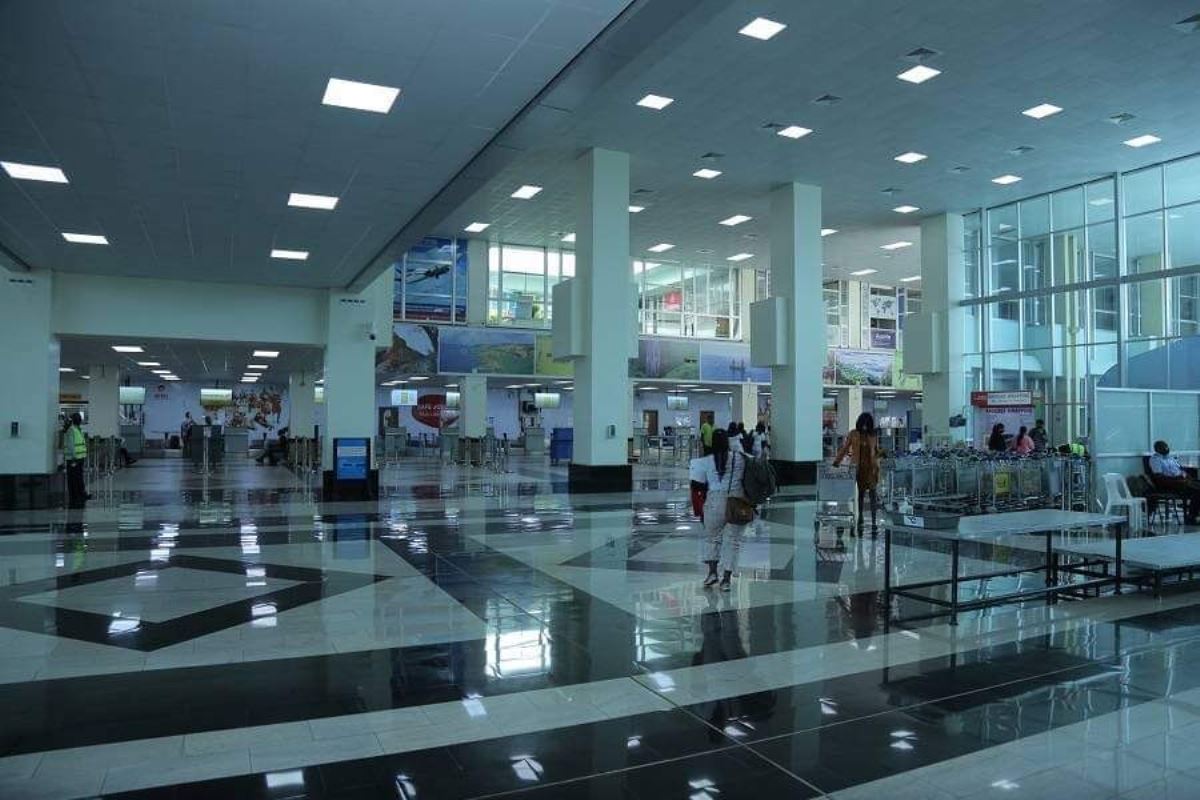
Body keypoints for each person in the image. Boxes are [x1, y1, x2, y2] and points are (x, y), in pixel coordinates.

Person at [696, 429, 749, 592]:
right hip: (738, 502)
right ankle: (726, 580)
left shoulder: (706, 461)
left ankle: (712, 573)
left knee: (712, 539)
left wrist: (700, 510)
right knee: (734, 541)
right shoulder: (740, 458)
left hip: (714, 502)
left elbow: (699, 486)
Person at [833, 412, 881, 534]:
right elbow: (845, 448)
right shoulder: (853, 434)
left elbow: (876, 451)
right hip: (857, 469)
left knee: (873, 495)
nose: (865, 426)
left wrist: (882, 456)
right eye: (863, 423)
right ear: (859, 423)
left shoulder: (873, 435)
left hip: (871, 469)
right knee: (860, 494)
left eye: (867, 424)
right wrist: (837, 461)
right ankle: (860, 517)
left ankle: (874, 521)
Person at [1148, 440, 1200, 524]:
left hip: (1182, 480)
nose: (1166, 448)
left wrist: (1186, 476)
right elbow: (1159, 477)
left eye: (1166, 446)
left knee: (1197, 485)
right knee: (1197, 491)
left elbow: (1181, 469)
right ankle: (1191, 517)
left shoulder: (1170, 458)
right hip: (1171, 483)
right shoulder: (1155, 459)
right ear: (1157, 449)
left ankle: (1194, 513)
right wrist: (1177, 479)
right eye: (1163, 447)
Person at [62, 412, 88, 509]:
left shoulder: (77, 429)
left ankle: (81, 493)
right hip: (73, 458)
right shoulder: (71, 430)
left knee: (79, 477)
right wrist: (73, 458)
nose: (80, 420)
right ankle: (75, 496)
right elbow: (70, 445)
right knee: (73, 478)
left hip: (79, 457)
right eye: (79, 419)